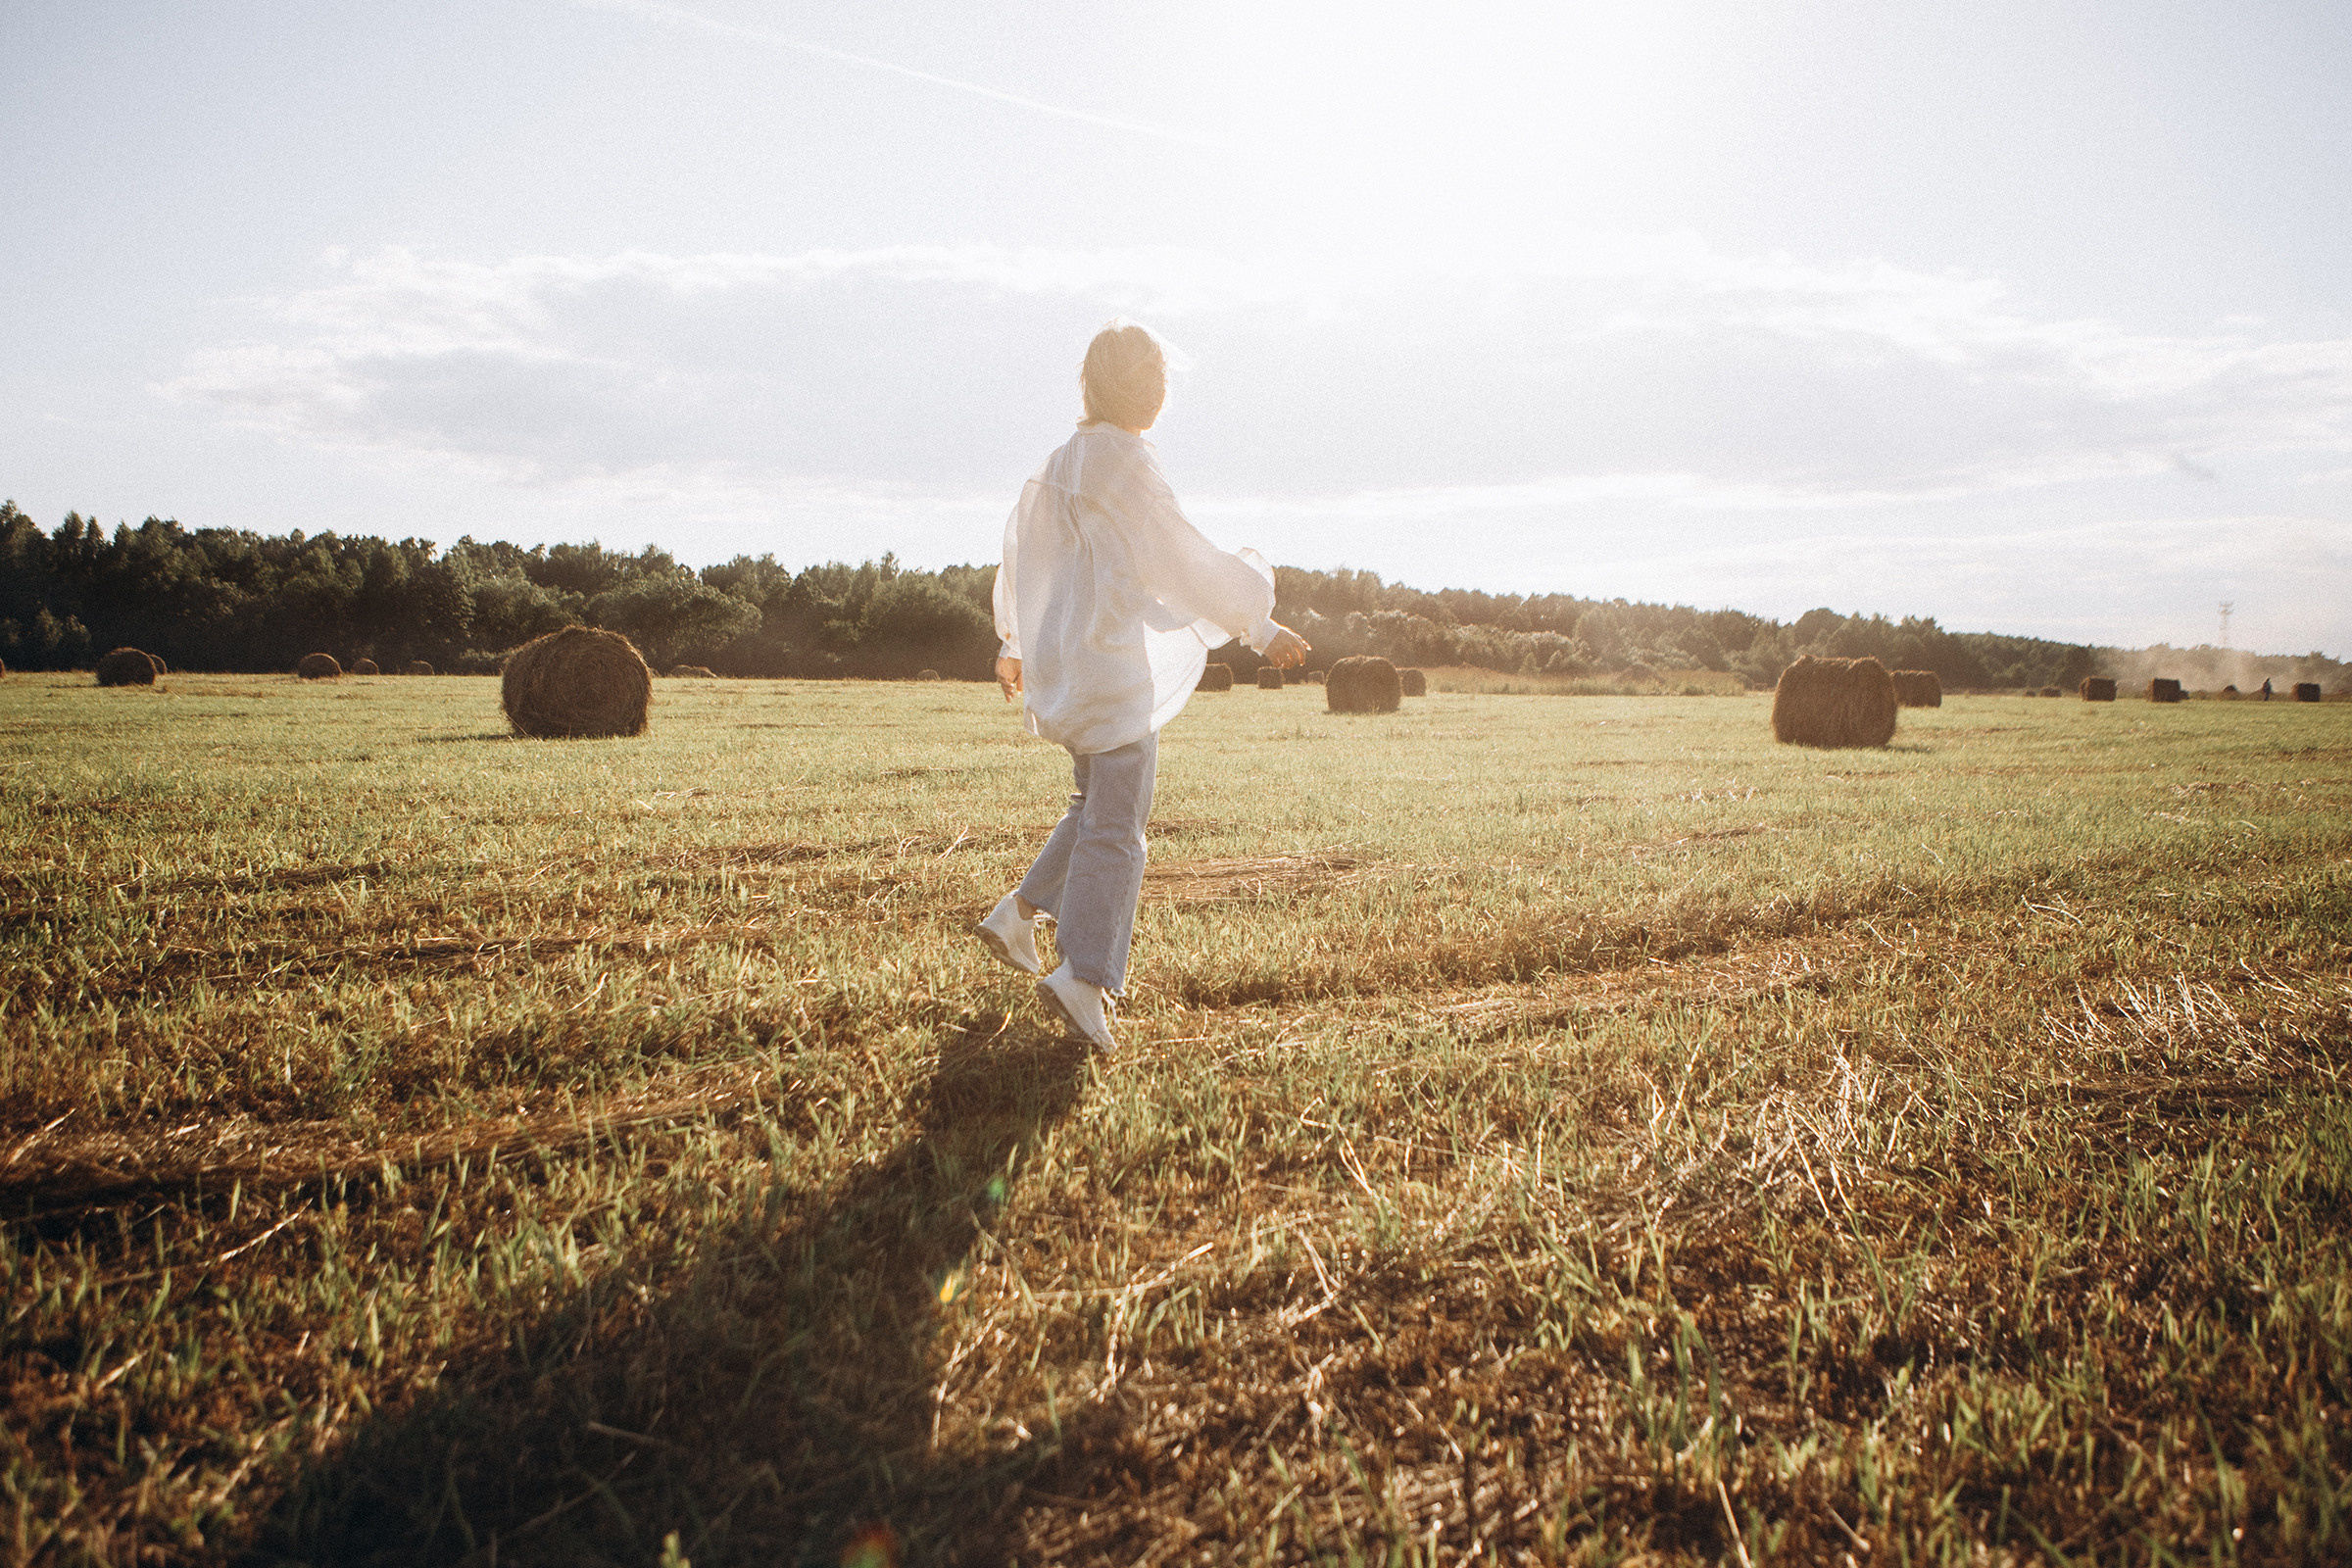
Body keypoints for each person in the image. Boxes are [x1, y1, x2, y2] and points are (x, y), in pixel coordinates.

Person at [976, 321, 1309, 1051]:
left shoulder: (1062, 460)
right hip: (1110, 669)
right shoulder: (1126, 463)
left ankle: (1017, 915)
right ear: (1142, 390)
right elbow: (1182, 560)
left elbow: (1018, 553)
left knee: (1093, 805)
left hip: (1069, 668)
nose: (1163, 394)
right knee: (1120, 832)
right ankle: (1084, 975)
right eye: (1158, 381)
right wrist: (1260, 624)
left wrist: (1012, 641)